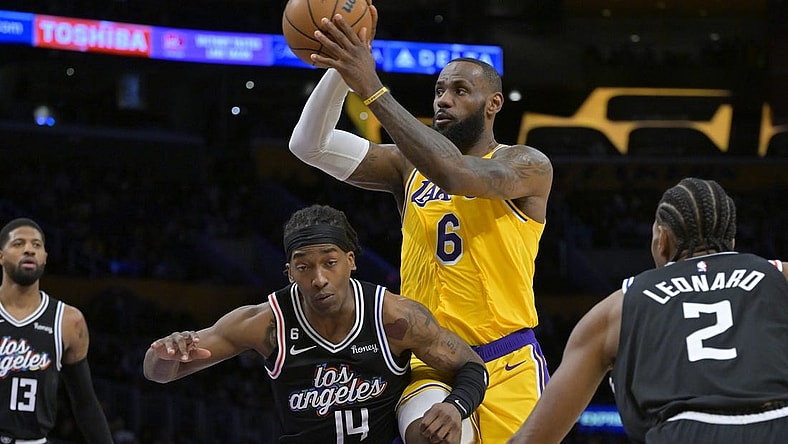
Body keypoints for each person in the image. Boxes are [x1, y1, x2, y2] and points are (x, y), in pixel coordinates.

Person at [288, 4, 553, 443]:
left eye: (460, 91)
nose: (443, 100)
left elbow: (457, 175)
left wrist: (372, 87)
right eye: (439, 90)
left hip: (509, 362)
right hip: (434, 359)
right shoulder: (404, 167)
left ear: (493, 104)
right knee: (432, 437)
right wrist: (345, 63)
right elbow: (309, 145)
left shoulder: (525, 164)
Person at [143, 204, 488, 443]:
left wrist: (454, 407)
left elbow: (472, 367)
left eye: (330, 262)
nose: (319, 278)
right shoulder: (265, 323)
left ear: (351, 262)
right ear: (290, 271)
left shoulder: (394, 316)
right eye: (304, 266)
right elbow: (160, 373)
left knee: (437, 433)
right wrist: (165, 353)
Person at [508, 177, 788, 444]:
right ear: (732, 243)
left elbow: (534, 438)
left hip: (681, 431)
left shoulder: (617, 308)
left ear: (661, 240)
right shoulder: (779, 276)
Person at [0, 217, 113, 444]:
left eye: (36, 245)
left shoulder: (69, 321)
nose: (29, 250)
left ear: (45, 258)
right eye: (18, 243)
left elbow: (85, 402)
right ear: (1, 256)